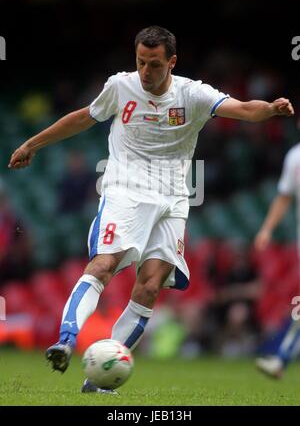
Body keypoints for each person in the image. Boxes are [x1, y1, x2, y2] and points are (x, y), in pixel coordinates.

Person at [8, 26, 294, 394]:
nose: (145, 71)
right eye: (140, 62)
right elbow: (82, 117)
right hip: (124, 189)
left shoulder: (192, 94)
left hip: (173, 198)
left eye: (154, 64)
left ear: (171, 62)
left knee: (150, 285)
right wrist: (34, 143)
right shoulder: (121, 86)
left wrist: (269, 109)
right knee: (104, 264)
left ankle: (102, 376)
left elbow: (242, 109)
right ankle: (66, 339)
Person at [254, 140, 300, 378]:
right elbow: (284, 196)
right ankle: (282, 358)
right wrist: (267, 229)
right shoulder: (295, 156)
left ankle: (282, 358)